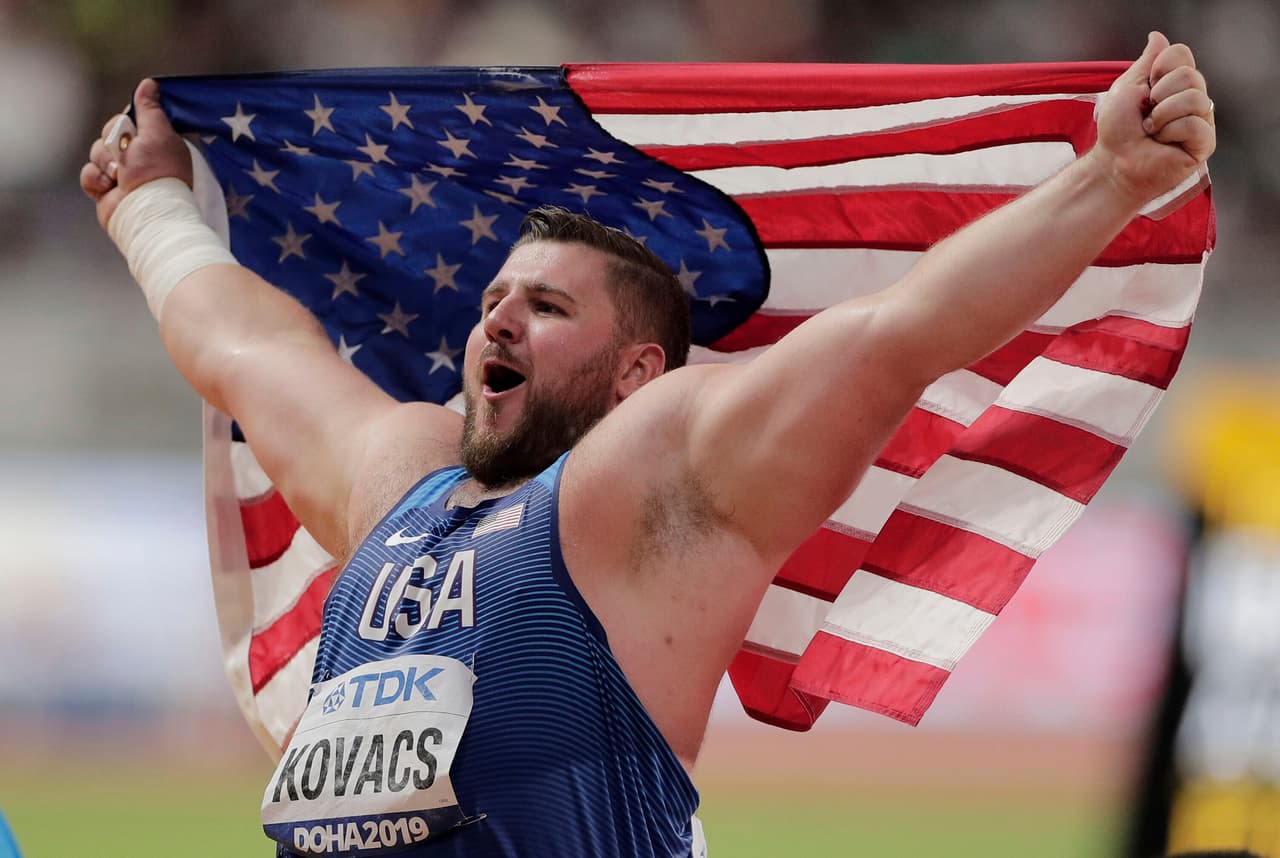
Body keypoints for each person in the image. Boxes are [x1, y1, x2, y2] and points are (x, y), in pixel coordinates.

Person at [81, 32, 1215, 858]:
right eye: (496, 297)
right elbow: (248, 353)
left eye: (547, 308)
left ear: (636, 372)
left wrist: (1107, 181)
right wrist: (151, 213)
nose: (497, 320)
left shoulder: (650, 486)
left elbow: (892, 338)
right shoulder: (401, 486)